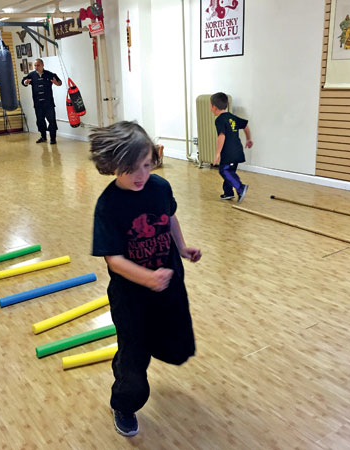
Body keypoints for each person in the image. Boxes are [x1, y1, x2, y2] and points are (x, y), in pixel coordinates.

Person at [90, 121, 202, 437]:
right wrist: (148, 278)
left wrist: (182, 248)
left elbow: (170, 217)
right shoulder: (108, 205)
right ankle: (124, 402)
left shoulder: (160, 187)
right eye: (130, 169)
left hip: (168, 286)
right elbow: (113, 259)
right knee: (135, 362)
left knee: (179, 349)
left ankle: (132, 354)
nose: (140, 175)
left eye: (146, 165)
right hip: (131, 297)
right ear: (113, 165)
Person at [210, 92, 253, 203]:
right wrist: (248, 139)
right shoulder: (232, 117)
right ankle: (228, 193)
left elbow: (221, 136)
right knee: (229, 171)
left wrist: (217, 153)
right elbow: (246, 126)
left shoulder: (219, 120)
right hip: (237, 150)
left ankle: (240, 188)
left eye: (211, 106)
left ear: (214, 107)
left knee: (224, 171)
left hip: (229, 152)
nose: (210, 109)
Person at [22, 59, 62, 144]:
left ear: (42, 65)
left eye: (38, 65)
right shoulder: (32, 75)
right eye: (35, 65)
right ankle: (43, 137)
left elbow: (60, 82)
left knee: (52, 121)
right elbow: (24, 81)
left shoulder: (49, 74)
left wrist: (56, 83)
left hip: (49, 104)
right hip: (38, 104)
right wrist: (26, 82)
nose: (36, 67)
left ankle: (53, 138)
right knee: (40, 121)